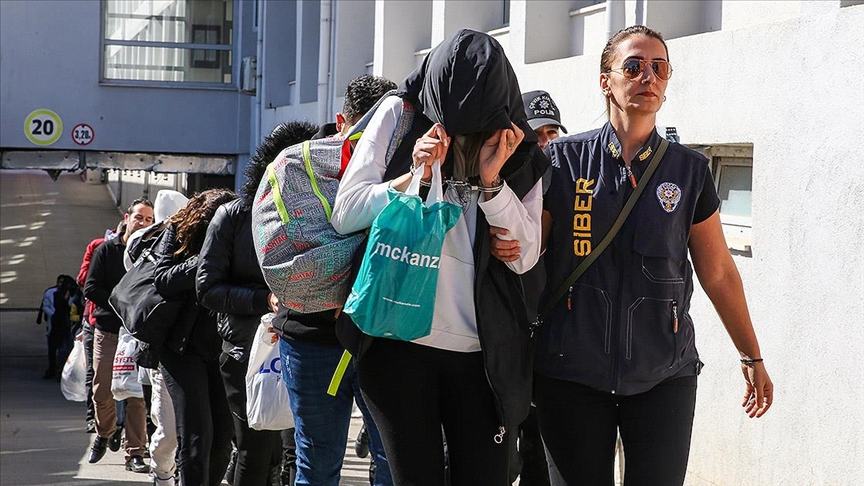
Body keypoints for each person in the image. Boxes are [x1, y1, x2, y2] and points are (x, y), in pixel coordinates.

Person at [526, 25, 774, 485]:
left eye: (660, 68)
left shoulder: (690, 170)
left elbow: (718, 273)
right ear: (606, 80)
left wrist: (752, 356)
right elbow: (528, 255)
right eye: (634, 67)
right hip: (571, 372)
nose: (649, 77)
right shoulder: (562, 162)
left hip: (664, 376)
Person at [331, 30, 547, 485]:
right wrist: (412, 177)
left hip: (480, 357)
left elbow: (525, 257)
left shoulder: (516, 143)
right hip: (395, 345)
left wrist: (492, 184)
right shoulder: (400, 113)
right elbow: (345, 212)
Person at [271, 74, 397, 486]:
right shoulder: (298, 167)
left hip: (381, 337)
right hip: (312, 338)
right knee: (318, 465)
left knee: (392, 460)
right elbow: (280, 247)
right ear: (343, 120)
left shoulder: (404, 160)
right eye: (365, 130)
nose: (372, 145)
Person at [196, 121, 318, 486]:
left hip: (302, 344)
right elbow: (207, 287)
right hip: (246, 349)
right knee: (255, 450)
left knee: (291, 454)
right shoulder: (233, 216)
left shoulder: (315, 213)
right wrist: (264, 299)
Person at [153, 188, 238, 486]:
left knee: (221, 441)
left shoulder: (237, 234)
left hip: (222, 346)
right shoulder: (178, 230)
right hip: (181, 347)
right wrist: (206, 258)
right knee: (195, 437)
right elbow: (163, 280)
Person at [84, 198, 154, 473]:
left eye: (149, 219)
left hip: (136, 334)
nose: (143, 224)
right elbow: (90, 287)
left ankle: (135, 452)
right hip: (108, 330)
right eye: (139, 218)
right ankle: (106, 432)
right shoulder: (106, 250)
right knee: (102, 390)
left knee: (135, 394)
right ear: (127, 218)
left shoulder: (150, 252)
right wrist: (119, 305)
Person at [124, 189, 189, 486]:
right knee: (167, 424)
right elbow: (132, 256)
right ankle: (162, 473)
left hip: (193, 346)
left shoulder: (197, 241)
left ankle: (175, 472)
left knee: (182, 424)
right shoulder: (145, 245)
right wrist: (161, 230)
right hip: (161, 347)